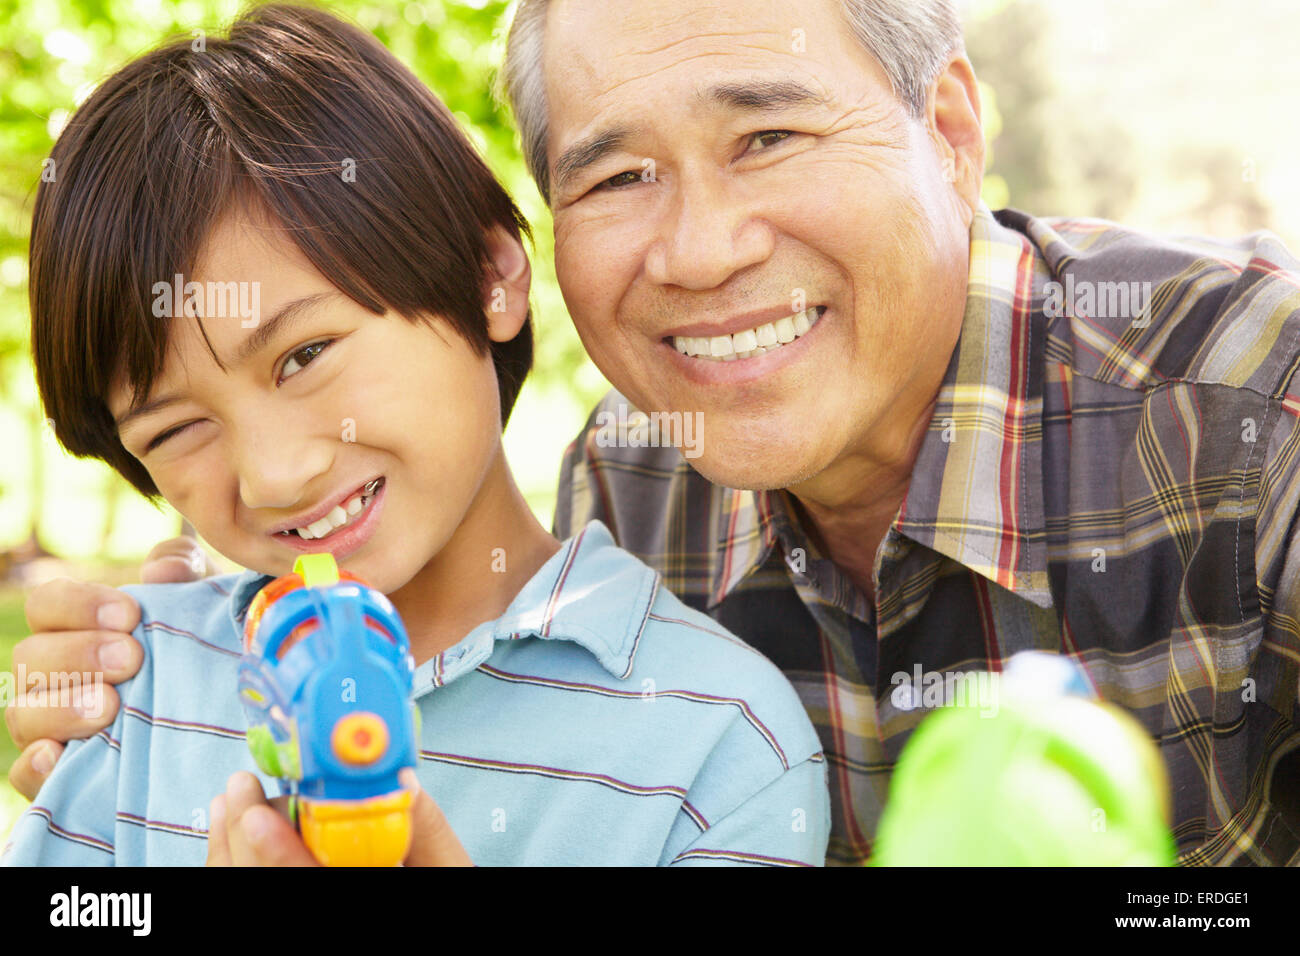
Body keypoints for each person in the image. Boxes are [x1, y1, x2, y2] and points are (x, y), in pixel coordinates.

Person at [13, 0, 1300, 867]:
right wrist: (160, 650)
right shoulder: (629, 487)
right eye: (618, 174)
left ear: (952, 134)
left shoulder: (1256, 412)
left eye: (769, 134)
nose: (698, 251)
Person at [0, 3, 829, 867]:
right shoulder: (132, 692)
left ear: (489, 275)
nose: (275, 474)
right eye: (176, 429)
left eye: (305, 354)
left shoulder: (719, 748)